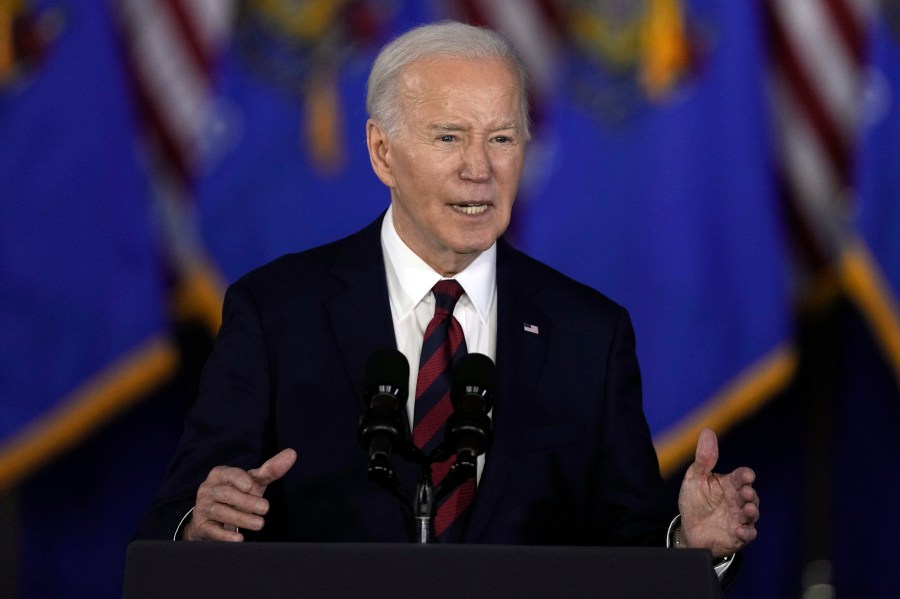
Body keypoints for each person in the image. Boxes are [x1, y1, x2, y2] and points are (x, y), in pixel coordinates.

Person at [135, 20, 758, 573]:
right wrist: (199, 524)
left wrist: (687, 545)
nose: (479, 170)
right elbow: (174, 522)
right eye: (449, 137)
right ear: (382, 152)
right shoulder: (275, 314)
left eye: (502, 139)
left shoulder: (589, 335)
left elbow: (626, 550)